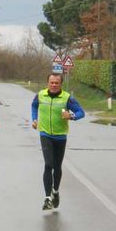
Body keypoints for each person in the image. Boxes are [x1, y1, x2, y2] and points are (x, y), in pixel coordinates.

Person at [31, 73, 85, 210]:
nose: (54, 85)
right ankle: (47, 198)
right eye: (51, 82)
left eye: (56, 83)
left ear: (61, 84)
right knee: (48, 164)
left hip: (60, 136)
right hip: (45, 134)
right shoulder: (41, 95)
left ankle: (55, 191)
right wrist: (34, 119)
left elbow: (81, 112)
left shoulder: (67, 98)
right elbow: (34, 106)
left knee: (57, 166)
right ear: (47, 83)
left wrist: (71, 116)